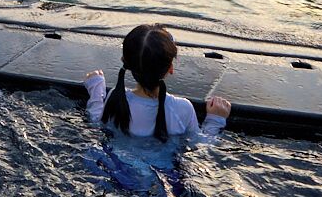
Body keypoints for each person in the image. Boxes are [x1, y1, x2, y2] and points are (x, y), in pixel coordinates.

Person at [83, 23, 231, 142]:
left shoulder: (116, 98)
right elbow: (202, 145)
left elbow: (97, 122)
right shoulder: (181, 108)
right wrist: (215, 119)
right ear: (170, 68)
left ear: (125, 62)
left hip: (119, 173)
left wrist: (96, 90)